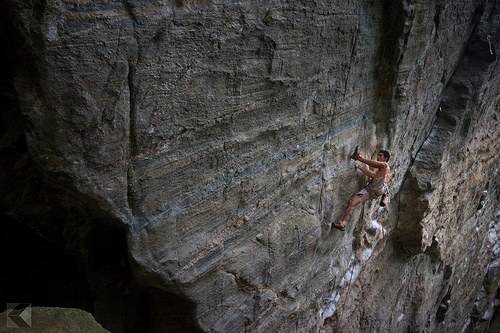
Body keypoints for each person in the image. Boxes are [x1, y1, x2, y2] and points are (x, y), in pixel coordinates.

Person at [332, 147, 391, 231]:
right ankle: (343, 224)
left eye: (380, 155)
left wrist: (359, 163)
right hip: (370, 190)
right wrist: (359, 166)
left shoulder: (385, 167)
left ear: (385, 158)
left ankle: (358, 157)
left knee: (383, 165)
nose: (378, 157)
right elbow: (373, 174)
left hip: (379, 189)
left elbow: (373, 175)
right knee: (352, 202)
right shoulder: (378, 167)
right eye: (378, 155)